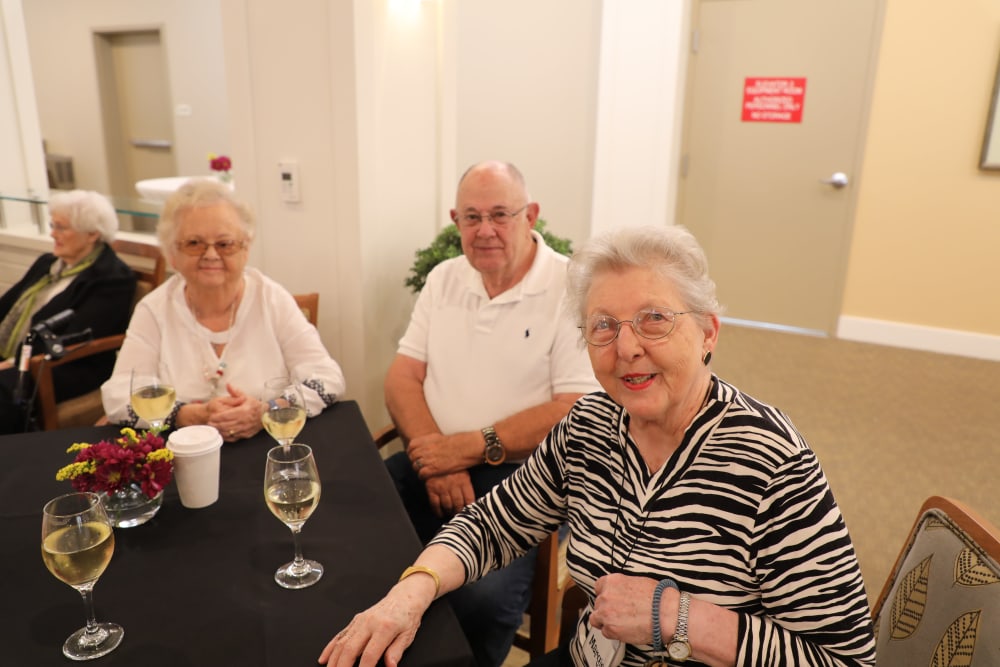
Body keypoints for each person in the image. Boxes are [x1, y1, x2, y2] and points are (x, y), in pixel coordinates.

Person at [319, 225, 876, 667]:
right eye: (603, 327)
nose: (626, 348)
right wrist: (411, 593)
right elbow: (495, 522)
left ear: (708, 332)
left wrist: (674, 617)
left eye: (654, 320)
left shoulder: (770, 460)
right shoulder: (593, 422)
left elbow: (843, 658)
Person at [381, 161, 600, 667]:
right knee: (360, 526)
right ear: (455, 221)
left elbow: (573, 409)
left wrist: (465, 448)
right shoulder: (444, 278)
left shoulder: (572, 287)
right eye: (472, 217)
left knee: (481, 600)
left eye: (501, 214)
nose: (485, 230)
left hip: (531, 479)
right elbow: (401, 378)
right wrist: (440, 456)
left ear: (532, 216)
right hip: (434, 458)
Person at [101, 179, 345, 441]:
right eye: (194, 243)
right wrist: (192, 415)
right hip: (181, 453)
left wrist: (268, 410)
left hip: (269, 446)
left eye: (225, 243)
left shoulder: (271, 298)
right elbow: (118, 394)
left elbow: (328, 379)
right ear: (172, 254)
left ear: (245, 249)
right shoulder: (154, 309)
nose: (211, 255)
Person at [0, 190, 136, 434]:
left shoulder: (111, 277)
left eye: (61, 227)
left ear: (92, 234)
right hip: (19, 356)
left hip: (61, 366)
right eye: (53, 225)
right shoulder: (47, 264)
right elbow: (7, 305)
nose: (53, 233)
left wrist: (13, 363)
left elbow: (78, 336)